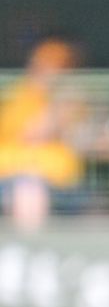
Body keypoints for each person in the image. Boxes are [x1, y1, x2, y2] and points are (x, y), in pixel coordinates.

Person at [0, 37, 83, 231]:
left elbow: (52, 129)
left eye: (59, 67)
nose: (50, 72)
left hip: (56, 179)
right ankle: (27, 250)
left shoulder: (69, 96)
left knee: (30, 188)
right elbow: (30, 132)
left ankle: (34, 247)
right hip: (11, 171)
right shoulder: (20, 93)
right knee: (27, 187)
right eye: (44, 65)